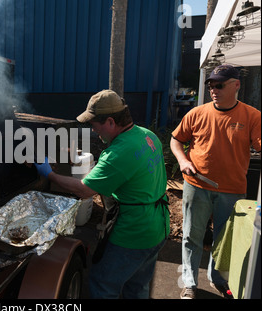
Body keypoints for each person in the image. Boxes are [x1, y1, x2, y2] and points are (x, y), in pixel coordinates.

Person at [34, 90, 170, 299]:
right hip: (159, 226)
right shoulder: (146, 134)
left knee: (103, 284)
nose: (93, 130)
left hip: (134, 233)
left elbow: (84, 190)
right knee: (138, 286)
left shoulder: (119, 153)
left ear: (110, 121)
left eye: (93, 124)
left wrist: (49, 174)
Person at [170, 64, 261, 299]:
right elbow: (175, 141)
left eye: (219, 85)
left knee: (224, 239)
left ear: (236, 85)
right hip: (197, 186)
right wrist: (182, 161)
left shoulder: (252, 116)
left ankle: (218, 278)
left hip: (232, 190)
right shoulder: (197, 113)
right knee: (191, 236)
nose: (213, 89)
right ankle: (189, 282)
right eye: (211, 85)